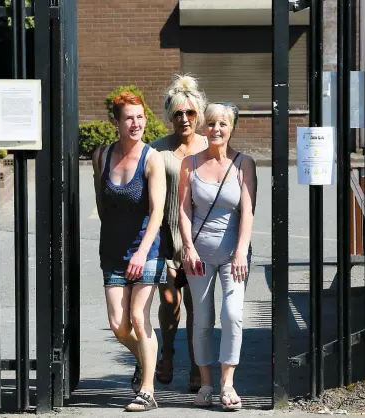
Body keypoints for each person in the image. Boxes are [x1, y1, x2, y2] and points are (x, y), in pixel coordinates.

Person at [178, 102, 257, 410]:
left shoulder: (244, 163)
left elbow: (248, 210)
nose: (216, 129)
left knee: (233, 314)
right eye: (211, 124)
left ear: (231, 128)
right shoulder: (190, 165)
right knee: (202, 319)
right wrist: (188, 247)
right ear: (204, 127)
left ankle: (228, 383)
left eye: (222, 124)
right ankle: (206, 383)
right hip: (199, 254)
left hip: (233, 256)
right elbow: (184, 209)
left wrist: (241, 251)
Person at [92, 91, 167, 412]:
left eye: (140, 117)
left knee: (138, 317)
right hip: (112, 249)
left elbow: (158, 211)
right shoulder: (102, 156)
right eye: (128, 118)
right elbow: (101, 201)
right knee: (118, 324)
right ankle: (146, 358)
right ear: (116, 122)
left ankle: (147, 390)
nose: (135, 123)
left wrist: (142, 252)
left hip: (145, 250)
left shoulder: (152, 159)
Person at [150, 74, 207, 391]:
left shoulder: (211, 148)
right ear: (169, 116)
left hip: (202, 244)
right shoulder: (156, 151)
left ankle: (197, 366)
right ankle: (167, 354)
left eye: (190, 113)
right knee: (169, 304)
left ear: (199, 114)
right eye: (177, 114)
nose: (184, 119)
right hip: (166, 242)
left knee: (197, 308)